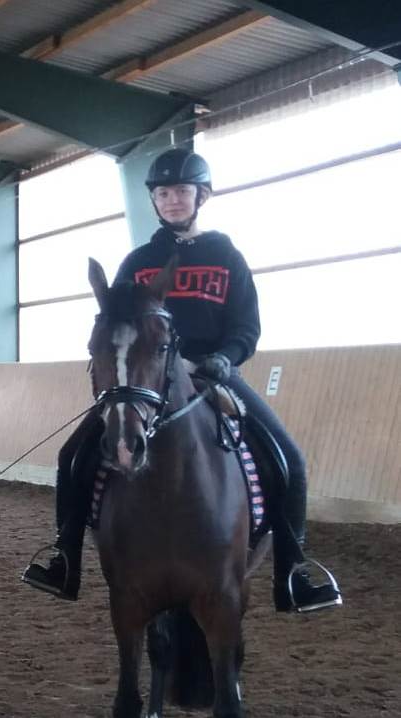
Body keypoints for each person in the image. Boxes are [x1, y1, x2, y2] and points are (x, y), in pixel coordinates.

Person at [21, 148, 342, 614]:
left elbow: (247, 328)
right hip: (147, 385)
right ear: (154, 199)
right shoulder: (138, 261)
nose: (172, 200)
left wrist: (223, 361)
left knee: (287, 457)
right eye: (163, 193)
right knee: (73, 456)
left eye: (182, 192)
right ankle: (64, 556)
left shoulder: (227, 256)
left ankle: (293, 571)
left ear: (201, 196)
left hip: (210, 377)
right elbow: (117, 322)